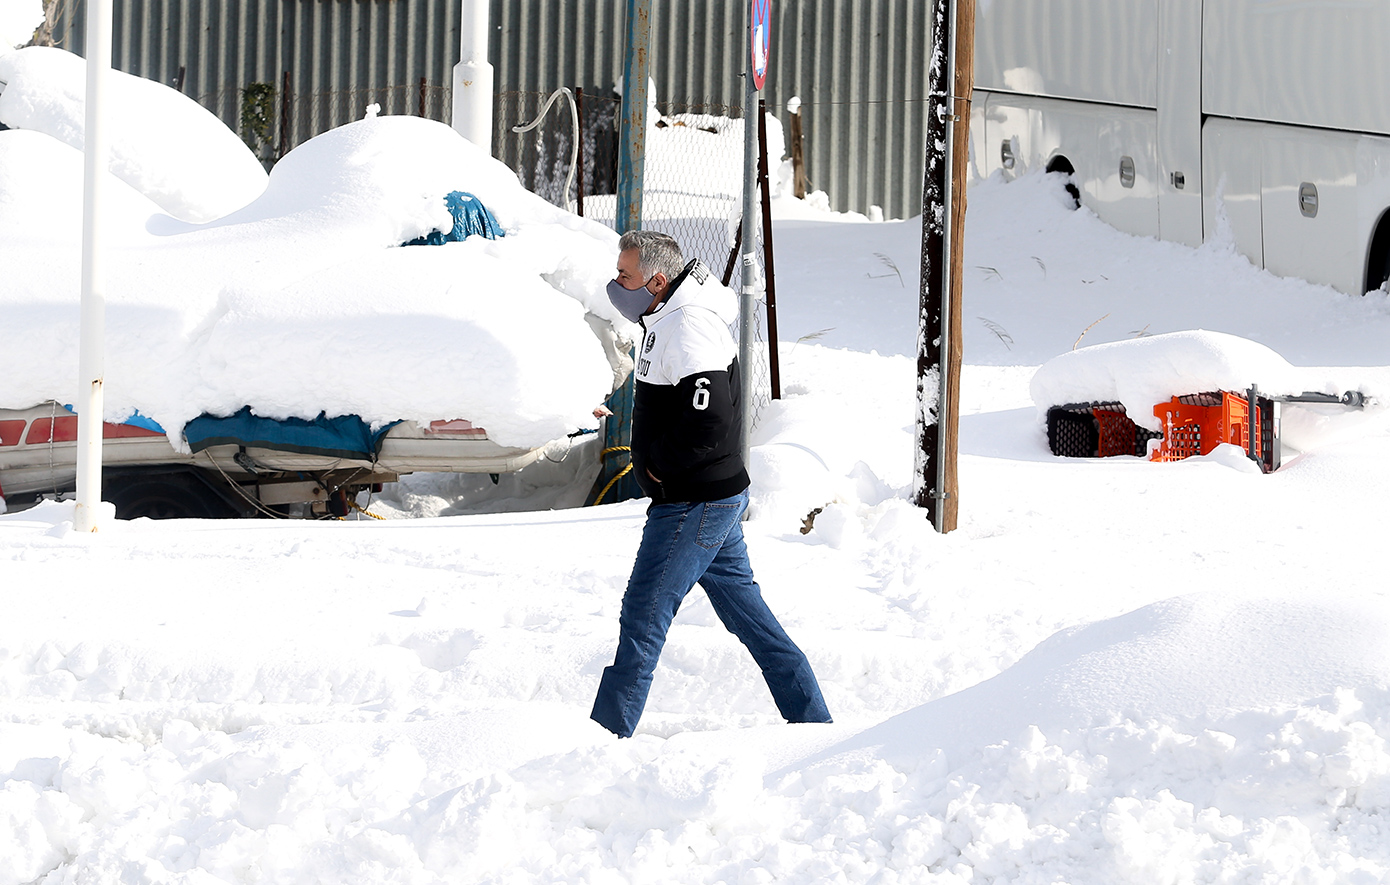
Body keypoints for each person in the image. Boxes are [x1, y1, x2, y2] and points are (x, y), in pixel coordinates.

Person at [590, 230, 831, 738]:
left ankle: (605, 738)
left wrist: (657, 467)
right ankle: (814, 724)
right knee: (751, 621)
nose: (617, 283)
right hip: (710, 497)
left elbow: (710, 417)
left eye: (625, 275)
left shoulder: (690, 325)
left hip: (692, 502)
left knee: (643, 615)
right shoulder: (666, 316)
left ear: (656, 281)